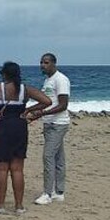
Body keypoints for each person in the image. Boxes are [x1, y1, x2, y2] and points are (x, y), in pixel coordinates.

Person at [0, 62, 50, 215]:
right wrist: (29, 109)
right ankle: (19, 206)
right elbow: (47, 101)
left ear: (4, 74)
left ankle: (0, 205)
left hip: (1, 127)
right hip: (19, 127)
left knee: (1, 168)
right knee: (17, 168)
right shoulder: (24, 89)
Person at [29, 53, 71, 205]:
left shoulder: (61, 80)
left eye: (46, 62)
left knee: (48, 156)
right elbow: (47, 102)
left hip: (58, 124)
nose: (42, 65)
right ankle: (59, 192)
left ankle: (47, 193)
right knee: (59, 158)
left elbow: (63, 104)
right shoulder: (48, 80)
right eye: (41, 62)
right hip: (49, 123)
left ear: (54, 63)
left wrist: (43, 113)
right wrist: (33, 112)